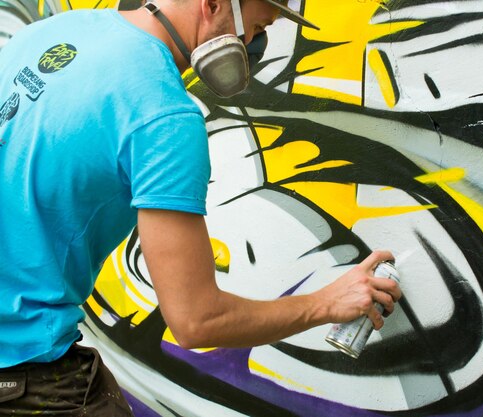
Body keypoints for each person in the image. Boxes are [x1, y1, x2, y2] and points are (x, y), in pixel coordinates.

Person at [0, 0, 402, 414]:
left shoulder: (51, 33)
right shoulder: (163, 114)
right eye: (258, 26)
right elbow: (196, 321)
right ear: (212, 4)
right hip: (23, 368)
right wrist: (327, 303)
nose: (254, 44)